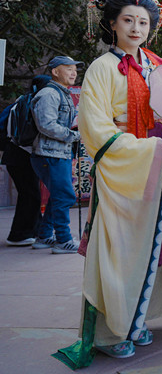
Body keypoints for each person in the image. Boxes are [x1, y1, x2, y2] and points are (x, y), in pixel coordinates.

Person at [55, 0, 162, 368]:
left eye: (143, 22)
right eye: (128, 20)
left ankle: (136, 319)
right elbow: (94, 126)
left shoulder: (158, 65)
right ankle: (110, 330)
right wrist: (143, 149)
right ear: (112, 24)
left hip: (154, 166)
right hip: (122, 168)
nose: (136, 27)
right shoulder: (102, 67)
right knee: (116, 248)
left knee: (149, 245)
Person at [29, 56, 83, 254]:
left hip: (57, 152)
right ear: (55, 71)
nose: (73, 72)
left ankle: (43, 236)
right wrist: (74, 135)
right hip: (49, 154)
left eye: (75, 69)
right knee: (65, 195)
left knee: (58, 196)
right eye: (68, 68)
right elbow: (46, 125)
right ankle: (63, 239)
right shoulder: (49, 94)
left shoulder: (61, 93)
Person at [3, 75, 51, 246]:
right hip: (24, 155)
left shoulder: (19, 102)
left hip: (14, 155)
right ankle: (19, 235)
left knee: (30, 194)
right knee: (30, 194)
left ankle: (34, 231)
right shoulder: (33, 102)